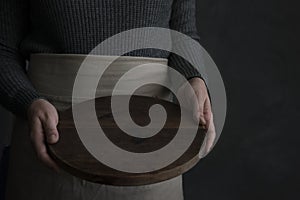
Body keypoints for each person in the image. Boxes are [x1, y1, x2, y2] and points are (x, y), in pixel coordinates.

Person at [0, 0, 215, 199]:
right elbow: (4, 50)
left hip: (149, 144)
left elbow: (182, 33)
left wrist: (192, 78)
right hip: (50, 136)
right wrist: (28, 101)